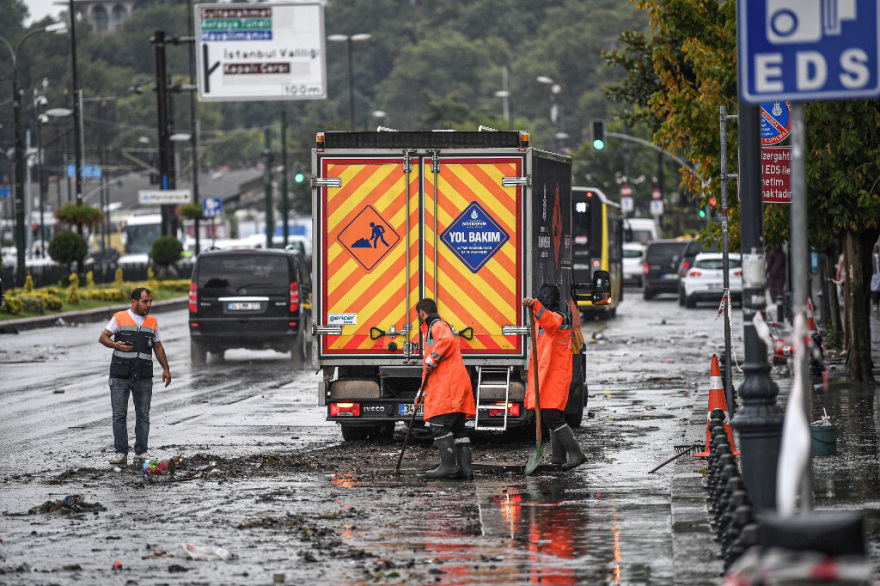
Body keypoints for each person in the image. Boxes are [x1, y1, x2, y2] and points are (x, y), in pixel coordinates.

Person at [98, 287, 171, 467]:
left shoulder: (152, 322)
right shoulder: (119, 318)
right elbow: (103, 337)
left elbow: (158, 346)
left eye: (150, 301)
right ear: (134, 302)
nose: (148, 305)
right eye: (145, 301)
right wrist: (116, 345)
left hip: (143, 376)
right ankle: (121, 454)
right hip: (120, 375)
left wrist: (166, 369)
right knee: (119, 415)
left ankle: (140, 453)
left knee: (143, 415)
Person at [522, 284, 586, 471]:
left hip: (555, 376)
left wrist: (534, 306)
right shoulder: (544, 320)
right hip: (548, 375)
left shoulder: (560, 318)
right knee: (552, 415)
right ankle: (558, 457)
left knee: (552, 415)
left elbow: (550, 322)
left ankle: (576, 454)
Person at [414, 298, 476, 479]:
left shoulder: (437, 325)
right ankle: (465, 470)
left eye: (417, 315)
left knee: (438, 425)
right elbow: (429, 370)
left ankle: (448, 467)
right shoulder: (433, 328)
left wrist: (432, 358)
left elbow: (447, 341)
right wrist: (421, 393)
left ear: (421, 313)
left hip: (447, 387)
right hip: (453, 385)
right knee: (458, 429)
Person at [871, 240, 880, 314]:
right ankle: (875, 304)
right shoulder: (872, 256)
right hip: (875, 275)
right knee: (875, 289)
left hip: (877, 274)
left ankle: (876, 304)